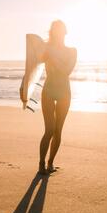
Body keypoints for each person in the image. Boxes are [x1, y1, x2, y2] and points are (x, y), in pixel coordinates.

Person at [38, 20, 77, 174]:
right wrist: (25, 86)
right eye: (55, 29)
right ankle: (41, 164)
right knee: (49, 130)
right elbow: (32, 64)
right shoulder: (46, 48)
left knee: (58, 130)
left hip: (64, 92)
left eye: (61, 29)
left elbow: (67, 71)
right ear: (52, 32)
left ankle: (50, 163)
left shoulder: (72, 51)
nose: (58, 32)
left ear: (65, 32)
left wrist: (53, 59)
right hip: (48, 90)